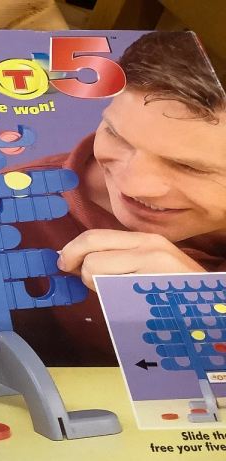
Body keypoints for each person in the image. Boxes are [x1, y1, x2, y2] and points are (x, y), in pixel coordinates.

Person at [12, 31, 226, 366]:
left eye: (189, 167)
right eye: (116, 134)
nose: (132, 185)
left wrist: (207, 311)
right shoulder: (8, 203)